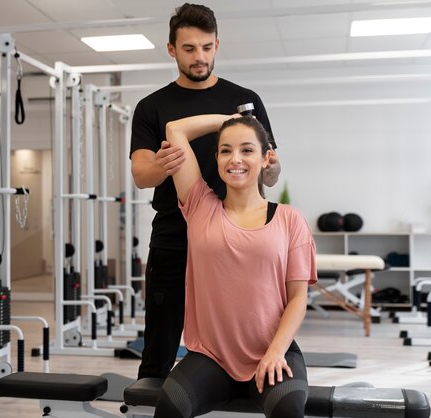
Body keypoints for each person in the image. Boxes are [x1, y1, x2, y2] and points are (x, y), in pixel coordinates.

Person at [130, 2, 280, 380]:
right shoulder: (152, 107)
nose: (200, 57)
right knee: (160, 341)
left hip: (236, 235)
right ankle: (152, 402)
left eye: (207, 47)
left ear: (217, 45)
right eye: (189, 49)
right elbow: (141, 174)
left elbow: (270, 171)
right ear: (171, 49)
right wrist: (163, 163)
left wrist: (273, 168)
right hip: (174, 235)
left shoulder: (245, 101)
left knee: (242, 332)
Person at [154, 114, 317, 418]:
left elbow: (297, 298)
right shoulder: (199, 204)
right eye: (226, 150)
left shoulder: (290, 219)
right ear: (216, 157)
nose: (235, 159)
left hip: (272, 351)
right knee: (169, 408)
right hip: (210, 357)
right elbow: (176, 130)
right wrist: (232, 119)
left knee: (288, 411)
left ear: (267, 158)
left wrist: (275, 352)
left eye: (247, 149)